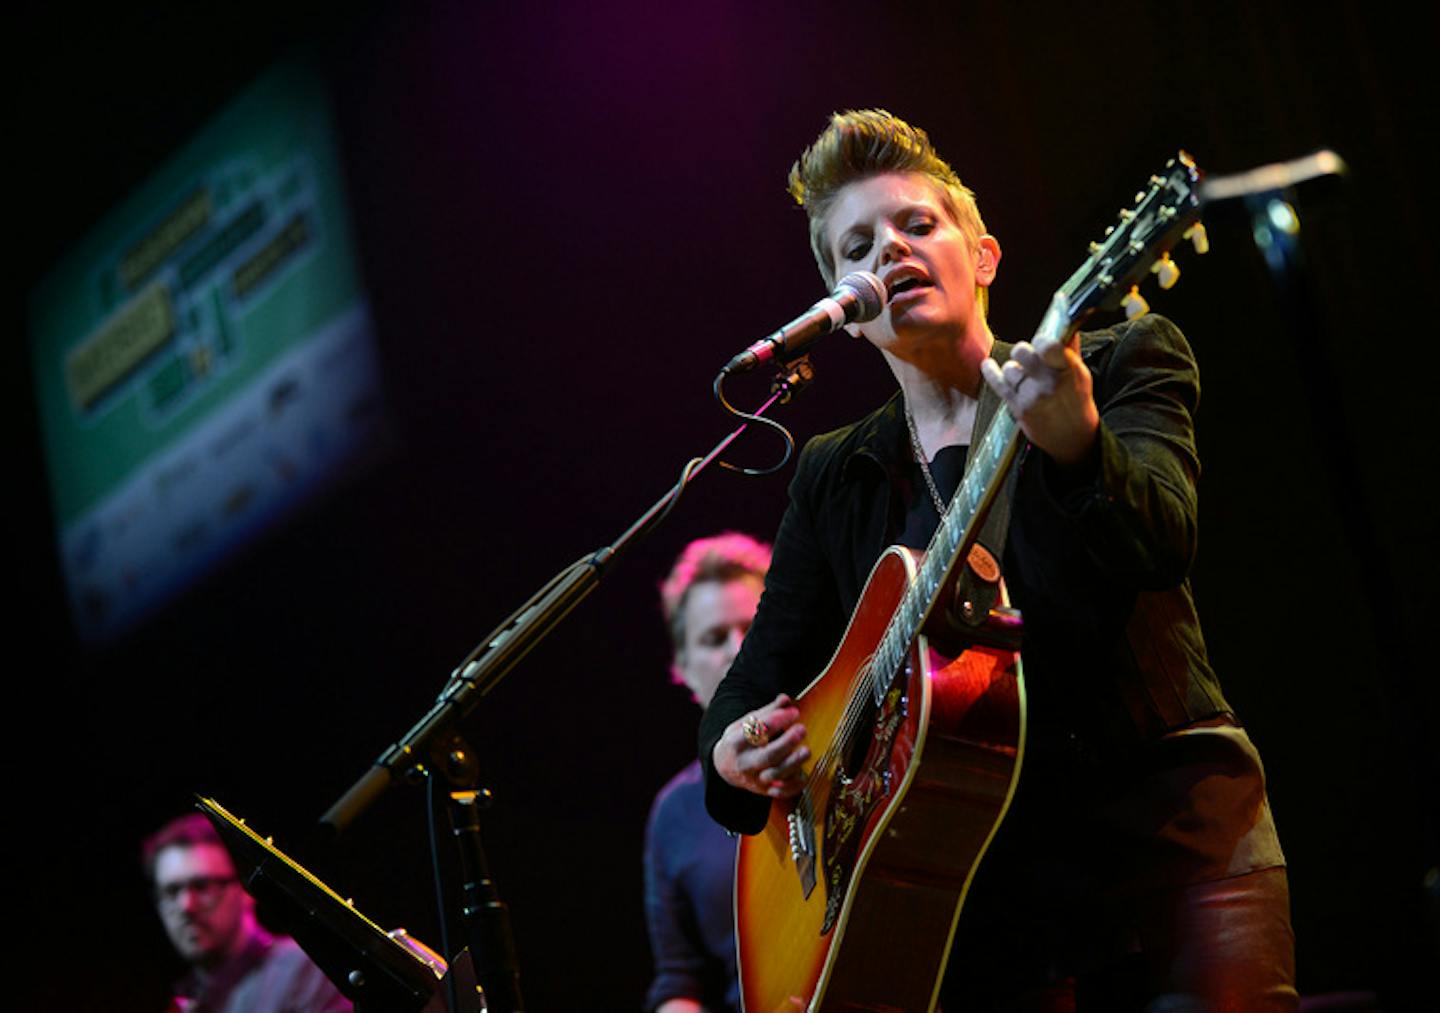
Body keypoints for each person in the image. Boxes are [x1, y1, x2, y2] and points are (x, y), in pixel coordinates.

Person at [697, 109, 1298, 1010]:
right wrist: (737, 753)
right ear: (843, 311)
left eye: (916, 225)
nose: (889, 251)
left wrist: (1080, 445)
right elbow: (752, 683)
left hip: (1168, 838)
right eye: (857, 246)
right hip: (979, 893)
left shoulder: (1123, 358)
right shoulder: (835, 474)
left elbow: (1161, 545)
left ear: (982, 256)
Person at [644, 532, 772, 1013]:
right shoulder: (674, 811)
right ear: (681, 667)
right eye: (714, 638)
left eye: (753, 628)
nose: (736, 650)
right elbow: (680, 981)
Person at [143, 812, 352, 1013]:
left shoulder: (305, 971)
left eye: (203, 886)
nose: (186, 906)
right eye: (171, 892)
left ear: (245, 888)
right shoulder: (189, 995)